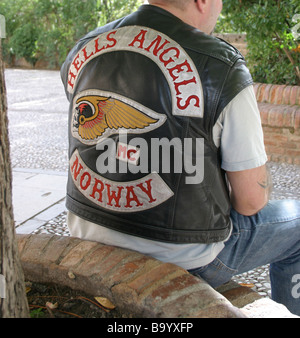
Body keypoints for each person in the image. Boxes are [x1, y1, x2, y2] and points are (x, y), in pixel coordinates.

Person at [61, 0, 300, 315]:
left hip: (89, 237)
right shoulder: (222, 66)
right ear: (203, 1)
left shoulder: (83, 49)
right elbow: (250, 202)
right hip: (186, 258)